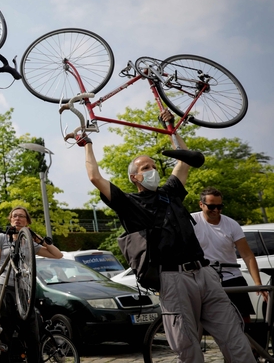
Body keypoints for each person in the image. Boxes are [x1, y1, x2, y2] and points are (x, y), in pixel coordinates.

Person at [78, 109, 255, 363]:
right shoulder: (129, 203)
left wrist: (172, 127)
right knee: (187, 347)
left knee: (235, 338)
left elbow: (186, 160)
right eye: (145, 167)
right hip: (173, 279)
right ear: (134, 177)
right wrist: (87, 144)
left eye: (153, 165)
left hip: (205, 273)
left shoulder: (169, 191)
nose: (152, 170)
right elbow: (95, 176)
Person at [0, 207, 62, 362]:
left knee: (32, 331)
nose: (17, 219)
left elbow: (57, 255)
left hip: (24, 289)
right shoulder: (1, 238)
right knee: (4, 330)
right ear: (10, 220)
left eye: (21, 216)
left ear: (27, 222)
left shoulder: (30, 243)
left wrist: (38, 239)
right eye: (14, 216)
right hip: (3, 285)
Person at [191, 187, 267, 322]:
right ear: (201, 205)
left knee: (243, 320)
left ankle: (246, 342)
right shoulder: (191, 221)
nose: (216, 210)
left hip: (231, 276)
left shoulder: (231, 224)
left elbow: (247, 255)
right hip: (203, 278)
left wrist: (258, 283)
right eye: (212, 206)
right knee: (205, 321)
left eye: (220, 207)